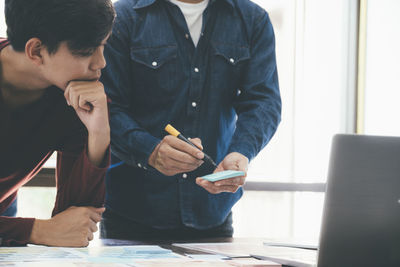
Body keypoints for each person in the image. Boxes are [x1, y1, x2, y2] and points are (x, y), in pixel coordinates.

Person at [101, 0, 281, 239]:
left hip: (212, 212)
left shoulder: (252, 19)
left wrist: (242, 152)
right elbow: (106, 108)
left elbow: (264, 103)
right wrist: (151, 151)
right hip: (132, 214)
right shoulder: (123, 17)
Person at [0, 0, 115, 247]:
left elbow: (75, 225)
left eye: (102, 46)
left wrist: (98, 134)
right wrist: (35, 231)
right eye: (86, 51)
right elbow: (55, 230)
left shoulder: (71, 96)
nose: (100, 63)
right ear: (37, 51)